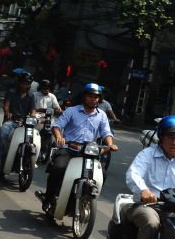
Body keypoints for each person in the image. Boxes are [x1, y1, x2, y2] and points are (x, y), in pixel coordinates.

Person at [36, 83, 118, 214]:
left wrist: (110, 144)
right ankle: (49, 198)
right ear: (84, 97)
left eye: (96, 97)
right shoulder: (71, 111)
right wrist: (59, 137)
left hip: (89, 153)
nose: (93, 99)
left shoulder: (102, 115)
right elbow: (57, 126)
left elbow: (106, 133)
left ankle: (88, 199)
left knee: (102, 173)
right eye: (90, 96)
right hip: (69, 149)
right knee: (58, 168)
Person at [0, 73, 36, 167]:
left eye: (27, 83)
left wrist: (32, 117)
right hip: (11, 121)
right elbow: (6, 106)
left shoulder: (31, 96)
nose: (25, 85)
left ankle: (31, 159)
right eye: (23, 83)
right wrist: (8, 113)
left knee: (33, 138)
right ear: (19, 83)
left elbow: (33, 111)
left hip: (24, 123)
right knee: (3, 132)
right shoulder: (11, 92)